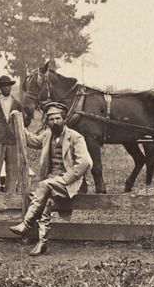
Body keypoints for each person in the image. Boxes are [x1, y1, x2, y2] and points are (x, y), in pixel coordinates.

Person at [9, 101, 93, 255]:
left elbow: (86, 162)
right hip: (51, 181)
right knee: (46, 200)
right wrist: (16, 122)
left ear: (64, 119)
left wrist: (66, 179)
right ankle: (42, 243)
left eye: (58, 118)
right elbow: (30, 140)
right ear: (47, 121)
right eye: (51, 119)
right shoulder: (47, 135)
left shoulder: (75, 137)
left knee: (43, 186)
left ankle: (26, 225)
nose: (55, 122)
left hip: (71, 183)